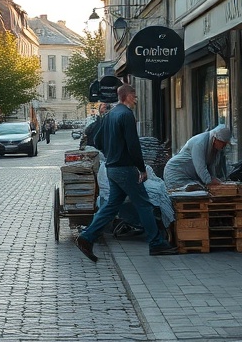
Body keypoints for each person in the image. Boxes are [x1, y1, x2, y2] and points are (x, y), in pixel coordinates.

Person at [74, 84, 177, 261]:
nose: (136, 99)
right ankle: (156, 243)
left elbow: (97, 140)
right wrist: (141, 168)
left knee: (112, 205)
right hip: (125, 168)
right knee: (144, 204)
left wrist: (111, 152)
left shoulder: (110, 115)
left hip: (112, 168)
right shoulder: (126, 114)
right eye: (134, 95)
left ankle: (86, 237)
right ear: (126, 96)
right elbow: (133, 145)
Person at [162, 124, 231, 189]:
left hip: (191, 176)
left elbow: (211, 167)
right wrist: (210, 181)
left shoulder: (215, 148)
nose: (224, 145)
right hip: (176, 173)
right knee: (192, 194)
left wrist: (214, 178)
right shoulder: (199, 143)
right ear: (215, 139)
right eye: (223, 143)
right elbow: (200, 167)